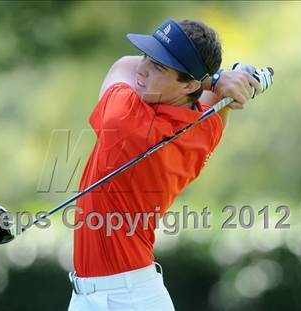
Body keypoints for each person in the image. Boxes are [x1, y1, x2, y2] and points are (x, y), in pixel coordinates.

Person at [67, 18, 261, 311]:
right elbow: (215, 98)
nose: (143, 69)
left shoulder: (124, 120)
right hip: (107, 294)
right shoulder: (206, 129)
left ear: (191, 84)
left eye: (158, 66)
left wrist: (219, 78)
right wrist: (224, 81)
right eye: (147, 56)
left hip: (126, 299)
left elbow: (121, 66)